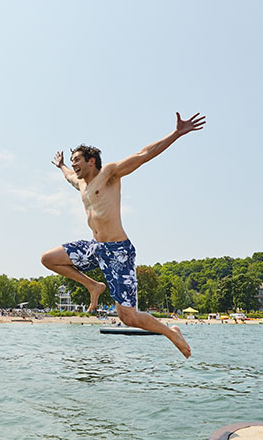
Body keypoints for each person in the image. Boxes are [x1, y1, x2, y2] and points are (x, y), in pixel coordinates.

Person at [41, 111, 206, 358]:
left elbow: (143, 155)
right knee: (48, 259)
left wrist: (176, 133)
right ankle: (93, 286)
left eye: (77, 160)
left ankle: (171, 332)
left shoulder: (109, 173)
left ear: (91, 161)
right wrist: (61, 164)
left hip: (118, 251)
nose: (74, 164)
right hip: (95, 248)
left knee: (128, 317)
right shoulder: (81, 184)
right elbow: (67, 176)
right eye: (72, 161)